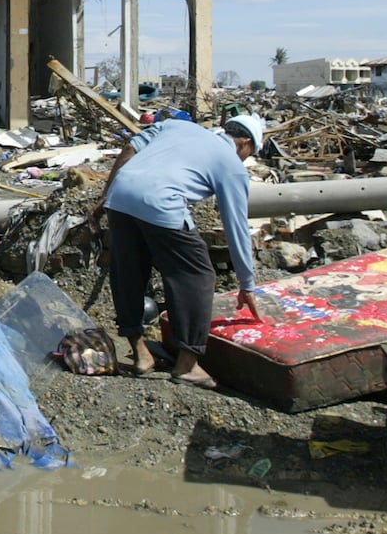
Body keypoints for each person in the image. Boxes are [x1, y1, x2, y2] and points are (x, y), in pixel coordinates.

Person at [89, 113, 266, 390]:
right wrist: (247, 284)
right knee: (196, 274)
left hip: (121, 196)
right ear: (244, 143)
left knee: (128, 272)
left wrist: (106, 195)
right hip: (161, 201)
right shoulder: (232, 164)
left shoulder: (177, 126)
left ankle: (141, 355)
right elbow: (237, 227)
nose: (246, 158)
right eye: (250, 153)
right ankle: (186, 365)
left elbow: (130, 148)